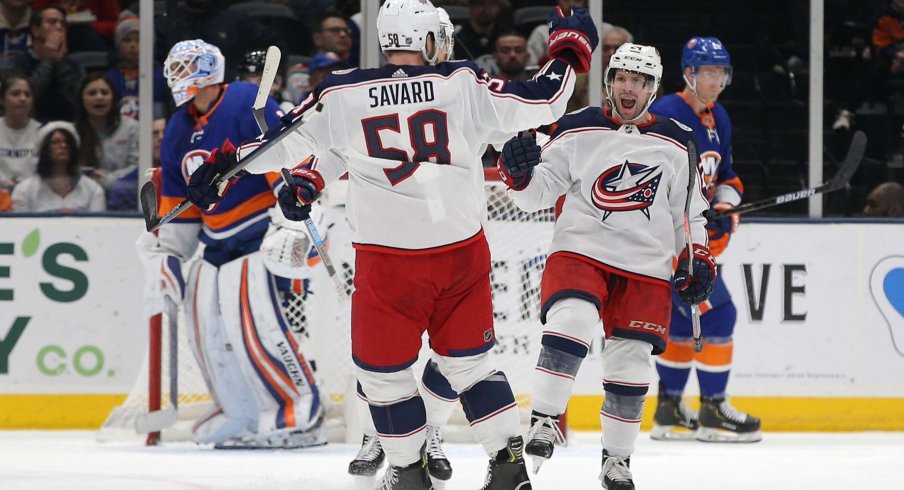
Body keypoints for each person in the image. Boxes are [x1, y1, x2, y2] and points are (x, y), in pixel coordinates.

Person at [186, 1, 597, 487]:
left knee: (383, 377)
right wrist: (569, 49)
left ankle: (407, 472)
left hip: (387, 262)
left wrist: (223, 166)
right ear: (427, 41)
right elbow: (545, 100)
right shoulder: (462, 82)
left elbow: (284, 142)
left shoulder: (342, 91)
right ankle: (508, 468)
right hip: (460, 254)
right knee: (473, 367)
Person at [498, 43, 713, 488]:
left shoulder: (677, 142)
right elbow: (536, 195)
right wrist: (516, 175)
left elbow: (688, 216)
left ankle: (617, 460)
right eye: (621, 78)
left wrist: (698, 259)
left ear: (652, 89)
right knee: (571, 321)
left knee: (631, 363)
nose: (628, 88)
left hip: (646, 268)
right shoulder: (577, 128)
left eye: (639, 81)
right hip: (581, 251)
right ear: (608, 82)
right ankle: (543, 420)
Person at [145, 39, 327, 449]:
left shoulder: (245, 99)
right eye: (173, 67)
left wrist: (291, 220)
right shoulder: (178, 126)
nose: (175, 74)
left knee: (257, 328)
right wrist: (171, 253)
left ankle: (299, 413)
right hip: (215, 243)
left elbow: (284, 157)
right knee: (204, 325)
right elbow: (180, 197)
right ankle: (239, 409)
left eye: (186, 65)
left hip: (258, 235)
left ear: (209, 68)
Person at [649, 37, 762, 444]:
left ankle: (670, 408)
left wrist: (726, 204)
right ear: (689, 73)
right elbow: (653, 187)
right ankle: (713, 409)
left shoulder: (719, 117)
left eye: (722, 72)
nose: (717, 80)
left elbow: (725, 174)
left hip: (695, 244)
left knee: (682, 322)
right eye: (709, 72)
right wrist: (691, 216)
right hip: (670, 246)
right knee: (719, 316)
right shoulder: (666, 115)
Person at [3, 5, 84, 122]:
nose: (59, 27)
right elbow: (27, 97)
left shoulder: (75, 66)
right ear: (35, 30)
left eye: (63, 24)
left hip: (67, 127)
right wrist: (49, 60)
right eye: (52, 22)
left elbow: (78, 101)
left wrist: (60, 62)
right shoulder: (15, 64)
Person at [11, 121, 104, 212]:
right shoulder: (24, 190)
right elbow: (22, 227)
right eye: (56, 142)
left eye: (67, 142)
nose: (63, 146)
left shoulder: (93, 189)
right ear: (44, 149)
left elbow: (99, 226)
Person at [74, 73, 140, 201]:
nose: (99, 97)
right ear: (82, 99)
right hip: (83, 195)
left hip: (124, 193)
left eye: (104, 93)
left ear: (113, 98)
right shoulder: (73, 131)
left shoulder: (132, 128)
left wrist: (108, 179)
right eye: (92, 93)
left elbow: (137, 166)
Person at [106, 10, 167, 120]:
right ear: (118, 44)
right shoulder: (109, 77)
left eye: (138, 40)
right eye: (127, 40)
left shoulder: (161, 75)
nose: (133, 45)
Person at [0, 73, 40, 187]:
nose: (23, 99)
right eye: (15, 94)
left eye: (27, 94)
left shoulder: (43, 132)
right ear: (2, 100)